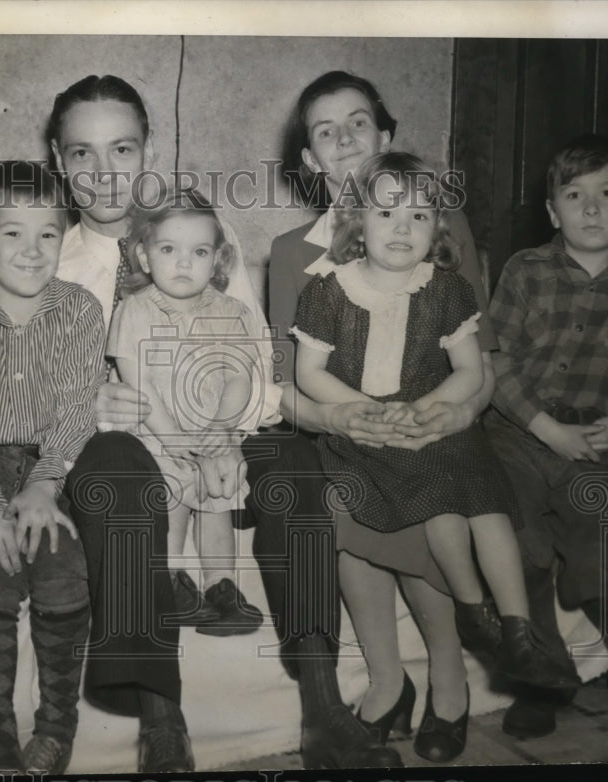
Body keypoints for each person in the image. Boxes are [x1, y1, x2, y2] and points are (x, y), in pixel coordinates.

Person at [50, 74, 401, 771]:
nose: (103, 173)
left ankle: (325, 708)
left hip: (217, 437)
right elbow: (26, 384)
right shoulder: (48, 260)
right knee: (121, 468)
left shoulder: (209, 239)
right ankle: (161, 721)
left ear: (146, 151)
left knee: (294, 462)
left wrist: (231, 427)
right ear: (60, 163)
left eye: (120, 149)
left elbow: (255, 365)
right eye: (81, 155)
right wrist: (87, 404)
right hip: (123, 449)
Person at [293, 151, 581, 707]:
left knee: (483, 497)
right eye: (386, 214)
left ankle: (515, 632)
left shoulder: (447, 290)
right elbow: (309, 374)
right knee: (441, 506)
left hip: (433, 418)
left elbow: (471, 371)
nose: (403, 228)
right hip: (361, 431)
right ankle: (473, 609)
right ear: (357, 222)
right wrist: (366, 412)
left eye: (420, 216)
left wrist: (432, 406)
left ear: (438, 229)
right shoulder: (328, 290)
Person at [268, 70, 498, 763]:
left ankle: (450, 678)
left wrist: (450, 420)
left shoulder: (438, 223)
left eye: (359, 122)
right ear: (310, 161)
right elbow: (289, 389)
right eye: (325, 131)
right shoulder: (290, 255)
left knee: (425, 480)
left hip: (436, 418)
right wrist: (345, 423)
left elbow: (482, 365)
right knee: (336, 490)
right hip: (343, 429)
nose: (345, 140)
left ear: (387, 135)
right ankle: (388, 681)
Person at [485, 134, 608, 739]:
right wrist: (543, 427)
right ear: (552, 211)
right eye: (575, 195)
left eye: (607, 193)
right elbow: (496, 365)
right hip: (517, 429)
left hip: (592, 438)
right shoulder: (526, 270)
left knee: (604, 545)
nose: (591, 209)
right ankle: (544, 675)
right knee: (522, 546)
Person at [0, 161, 105, 774]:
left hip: (52, 467)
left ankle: (56, 728)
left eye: (48, 234)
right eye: (12, 233)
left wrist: (44, 485)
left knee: (62, 567)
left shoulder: (80, 310)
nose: (32, 251)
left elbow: (78, 405)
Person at [108, 189, 268, 635]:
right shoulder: (135, 309)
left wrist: (221, 428)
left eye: (199, 252)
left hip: (212, 430)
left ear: (218, 261)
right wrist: (177, 439)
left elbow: (240, 378)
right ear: (143, 255)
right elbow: (136, 383)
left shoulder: (231, 312)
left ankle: (223, 589)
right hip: (155, 432)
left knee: (218, 494)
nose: (183, 263)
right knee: (172, 487)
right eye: (168, 249)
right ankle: (173, 581)